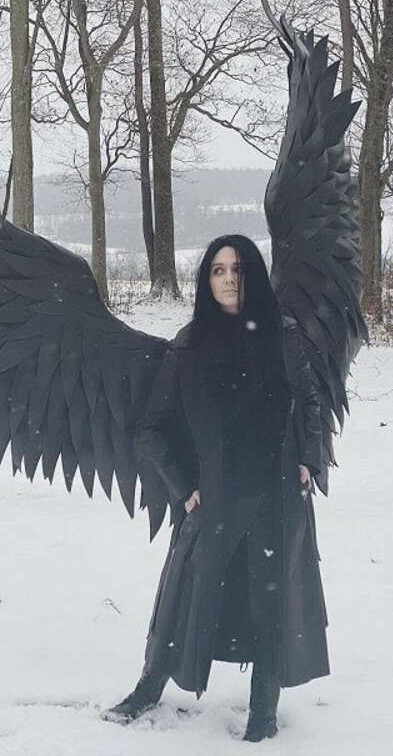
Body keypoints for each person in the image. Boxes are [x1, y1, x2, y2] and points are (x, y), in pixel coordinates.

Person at [103, 234, 329, 742]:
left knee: (271, 604)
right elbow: (152, 428)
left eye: (238, 269)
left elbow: (309, 400)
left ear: (253, 275)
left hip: (276, 497)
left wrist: (309, 460)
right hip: (216, 496)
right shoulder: (190, 345)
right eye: (218, 270)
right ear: (206, 280)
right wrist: (184, 487)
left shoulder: (282, 336)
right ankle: (147, 689)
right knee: (184, 598)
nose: (228, 279)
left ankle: (263, 715)